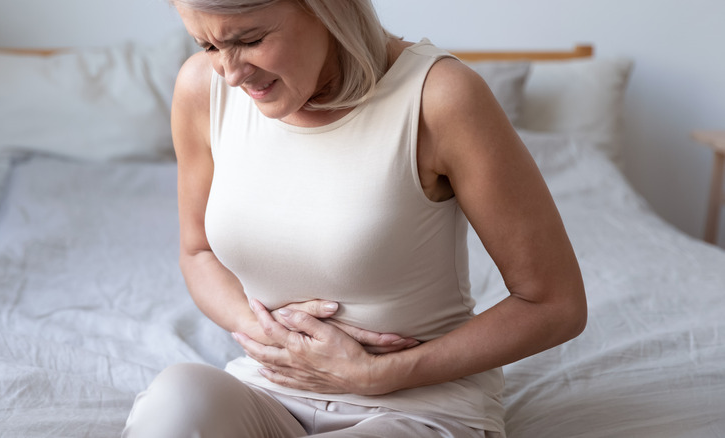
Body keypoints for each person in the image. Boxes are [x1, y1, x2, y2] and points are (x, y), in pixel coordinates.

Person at [122, 0, 587, 436]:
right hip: (270, 389)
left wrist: (379, 373)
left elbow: (553, 303)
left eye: (250, 39)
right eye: (208, 45)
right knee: (175, 403)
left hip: (417, 406)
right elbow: (197, 252)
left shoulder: (439, 97)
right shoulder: (202, 89)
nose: (230, 72)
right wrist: (272, 332)